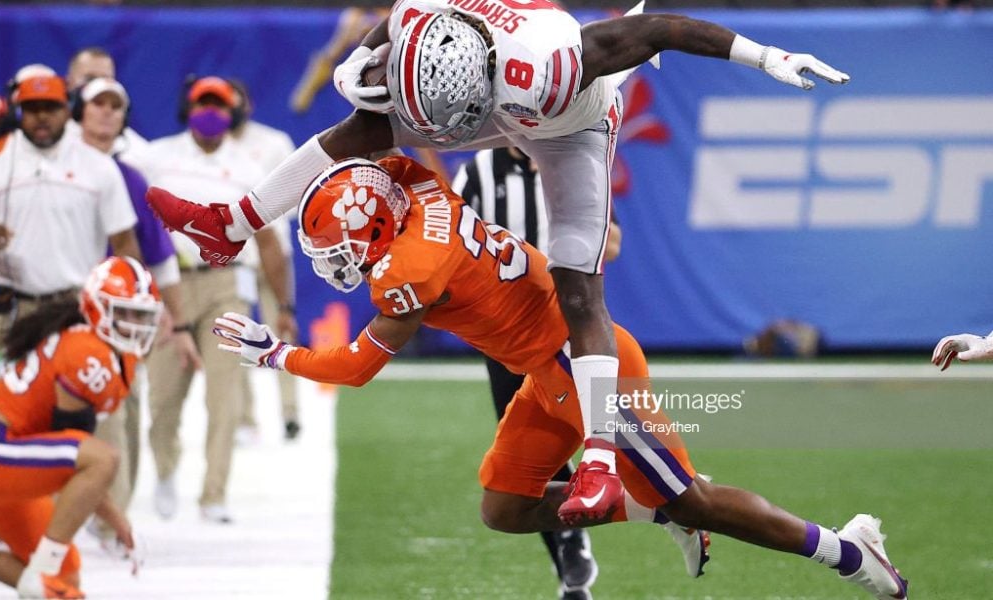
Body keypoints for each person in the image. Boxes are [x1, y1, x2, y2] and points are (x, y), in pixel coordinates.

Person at [145, 1, 851, 523]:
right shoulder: (418, 26)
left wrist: (767, 56)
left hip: (569, 123)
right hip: (475, 103)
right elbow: (390, 36)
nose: (433, 139)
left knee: (580, 287)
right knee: (360, 126)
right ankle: (228, 222)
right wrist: (367, 57)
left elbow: (659, 29)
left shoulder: (555, 65)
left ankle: (601, 459)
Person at [212, 157, 907, 600]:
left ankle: (848, 551)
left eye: (337, 248)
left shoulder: (411, 272)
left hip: (582, 367)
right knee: (504, 509)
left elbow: (357, 367)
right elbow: (386, 160)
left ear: (371, 232)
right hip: (543, 373)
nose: (334, 261)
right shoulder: (420, 191)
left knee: (697, 500)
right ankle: (649, 505)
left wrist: (274, 353)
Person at [453, 146, 624, 599]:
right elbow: (450, 242)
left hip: (570, 330)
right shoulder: (479, 171)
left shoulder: (574, 160)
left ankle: (676, 499)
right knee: (530, 457)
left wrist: (570, 231)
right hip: (507, 336)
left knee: (601, 435)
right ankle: (569, 560)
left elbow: (613, 242)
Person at [127, 76, 296, 524]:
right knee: (164, 396)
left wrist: (284, 307)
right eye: (203, 103)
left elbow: (270, 243)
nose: (211, 112)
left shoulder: (248, 167)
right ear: (188, 107)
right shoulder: (156, 156)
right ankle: (165, 470)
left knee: (224, 396)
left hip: (227, 283)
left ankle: (213, 492)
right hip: (171, 284)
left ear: (233, 113)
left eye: (219, 105)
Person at [75, 75, 203, 546]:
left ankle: (110, 515)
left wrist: (181, 321)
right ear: (79, 112)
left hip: (117, 314)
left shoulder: (128, 176)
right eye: (97, 104)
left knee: (122, 409)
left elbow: (160, 254)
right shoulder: (47, 166)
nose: (106, 113)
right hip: (58, 305)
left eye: (115, 105)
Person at [0, 256, 162, 599]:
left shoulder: (111, 354)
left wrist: (115, 518)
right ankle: (40, 574)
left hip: (13, 459)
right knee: (103, 459)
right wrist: (116, 517)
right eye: (125, 312)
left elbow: (75, 463)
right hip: (1, 445)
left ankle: (41, 576)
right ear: (98, 308)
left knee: (65, 579)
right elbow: (84, 461)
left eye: (140, 315)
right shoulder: (89, 353)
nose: (135, 324)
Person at [0, 67, 141, 355]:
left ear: (68, 111)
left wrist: (128, 304)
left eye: (50, 107)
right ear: (19, 113)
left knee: (91, 394)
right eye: (32, 108)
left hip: (79, 304)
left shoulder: (98, 166)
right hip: (13, 306)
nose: (42, 116)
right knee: (6, 399)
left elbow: (124, 242)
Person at [229, 80, 302, 441]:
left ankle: (290, 412)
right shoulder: (212, 149)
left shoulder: (273, 143)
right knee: (237, 335)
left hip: (272, 255)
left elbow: (293, 199)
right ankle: (245, 417)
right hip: (234, 259)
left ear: (249, 103)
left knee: (281, 329)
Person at [65, 47, 149, 156]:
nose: (98, 85)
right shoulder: (52, 136)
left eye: (104, 78)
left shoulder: (136, 150)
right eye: (90, 79)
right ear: (69, 81)